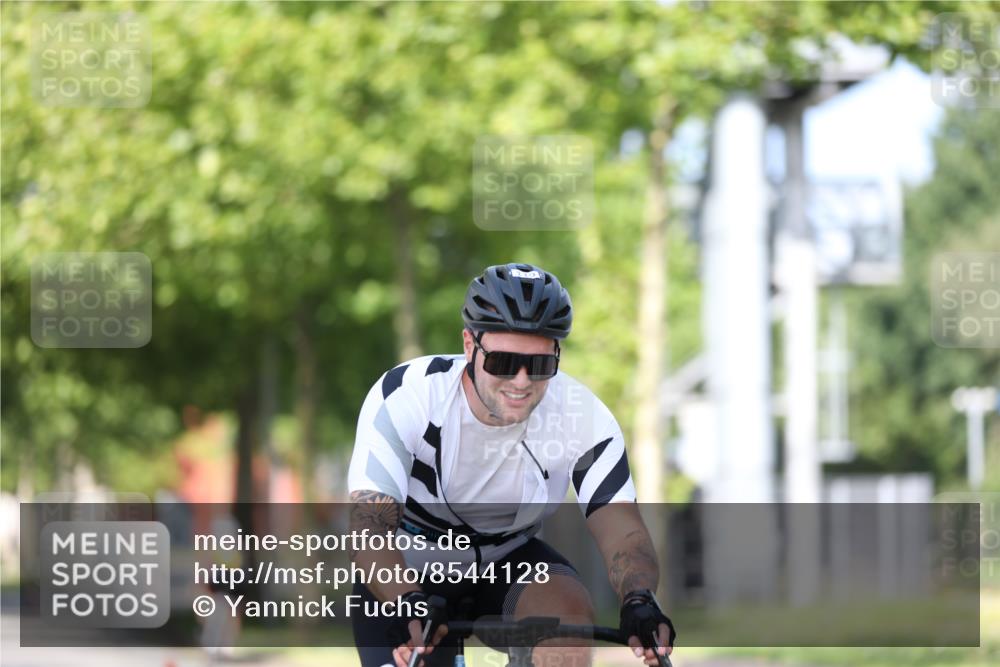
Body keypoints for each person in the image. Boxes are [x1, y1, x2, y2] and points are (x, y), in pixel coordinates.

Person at [348, 263, 675, 667]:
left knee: (566, 630)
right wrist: (406, 599)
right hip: (407, 566)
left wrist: (638, 598)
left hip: (508, 560)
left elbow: (623, 530)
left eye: (539, 365)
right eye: (503, 362)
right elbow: (370, 527)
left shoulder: (583, 417)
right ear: (469, 345)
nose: (521, 381)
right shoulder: (408, 395)